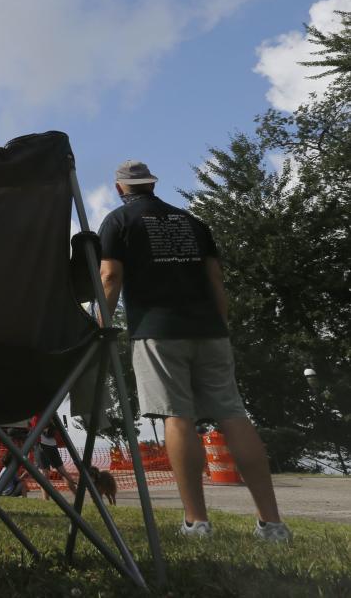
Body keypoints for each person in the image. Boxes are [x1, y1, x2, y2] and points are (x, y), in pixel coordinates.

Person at [98, 160, 290, 542]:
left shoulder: (118, 222)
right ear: (152, 184)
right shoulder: (193, 223)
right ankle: (272, 523)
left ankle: (197, 523)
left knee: (177, 417)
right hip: (210, 330)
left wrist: (100, 330)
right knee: (232, 414)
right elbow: (215, 279)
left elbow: (110, 276)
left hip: (158, 331)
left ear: (121, 189)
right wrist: (221, 325)